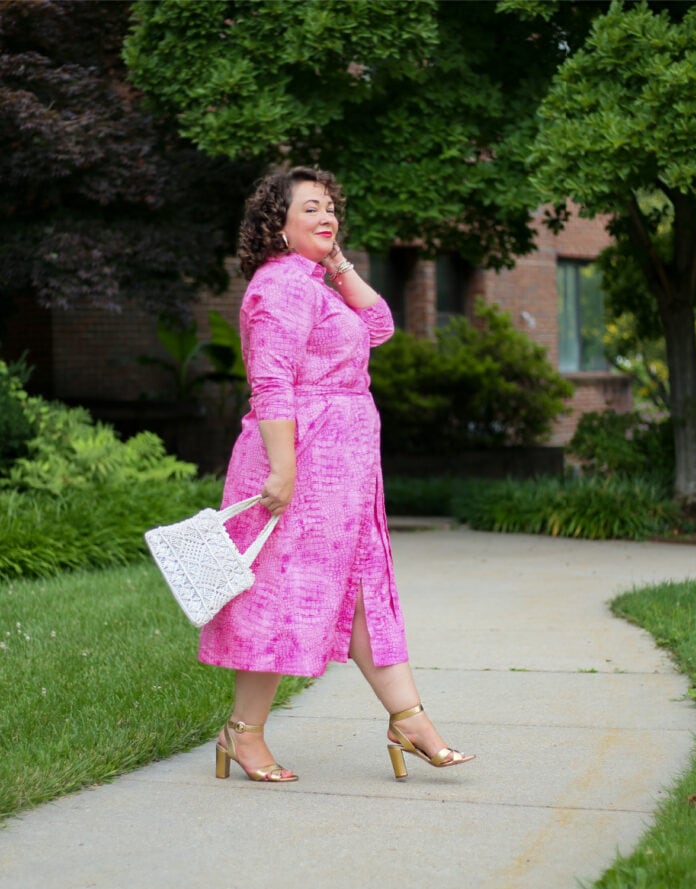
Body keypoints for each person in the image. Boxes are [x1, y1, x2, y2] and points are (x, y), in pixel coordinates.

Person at [198, 166, 475, 783]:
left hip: (343, 472)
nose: (327, 217)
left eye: (331, 208)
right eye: (310, 210)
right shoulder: (280, 287)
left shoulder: (317, 284)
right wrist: (284, 470)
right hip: (301, 465)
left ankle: (410, 719)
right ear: (278, 225)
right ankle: (242, 734)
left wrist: (338, 262)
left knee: (360, 596)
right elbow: (270, 381)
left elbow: (379, 326)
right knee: (276, 598)